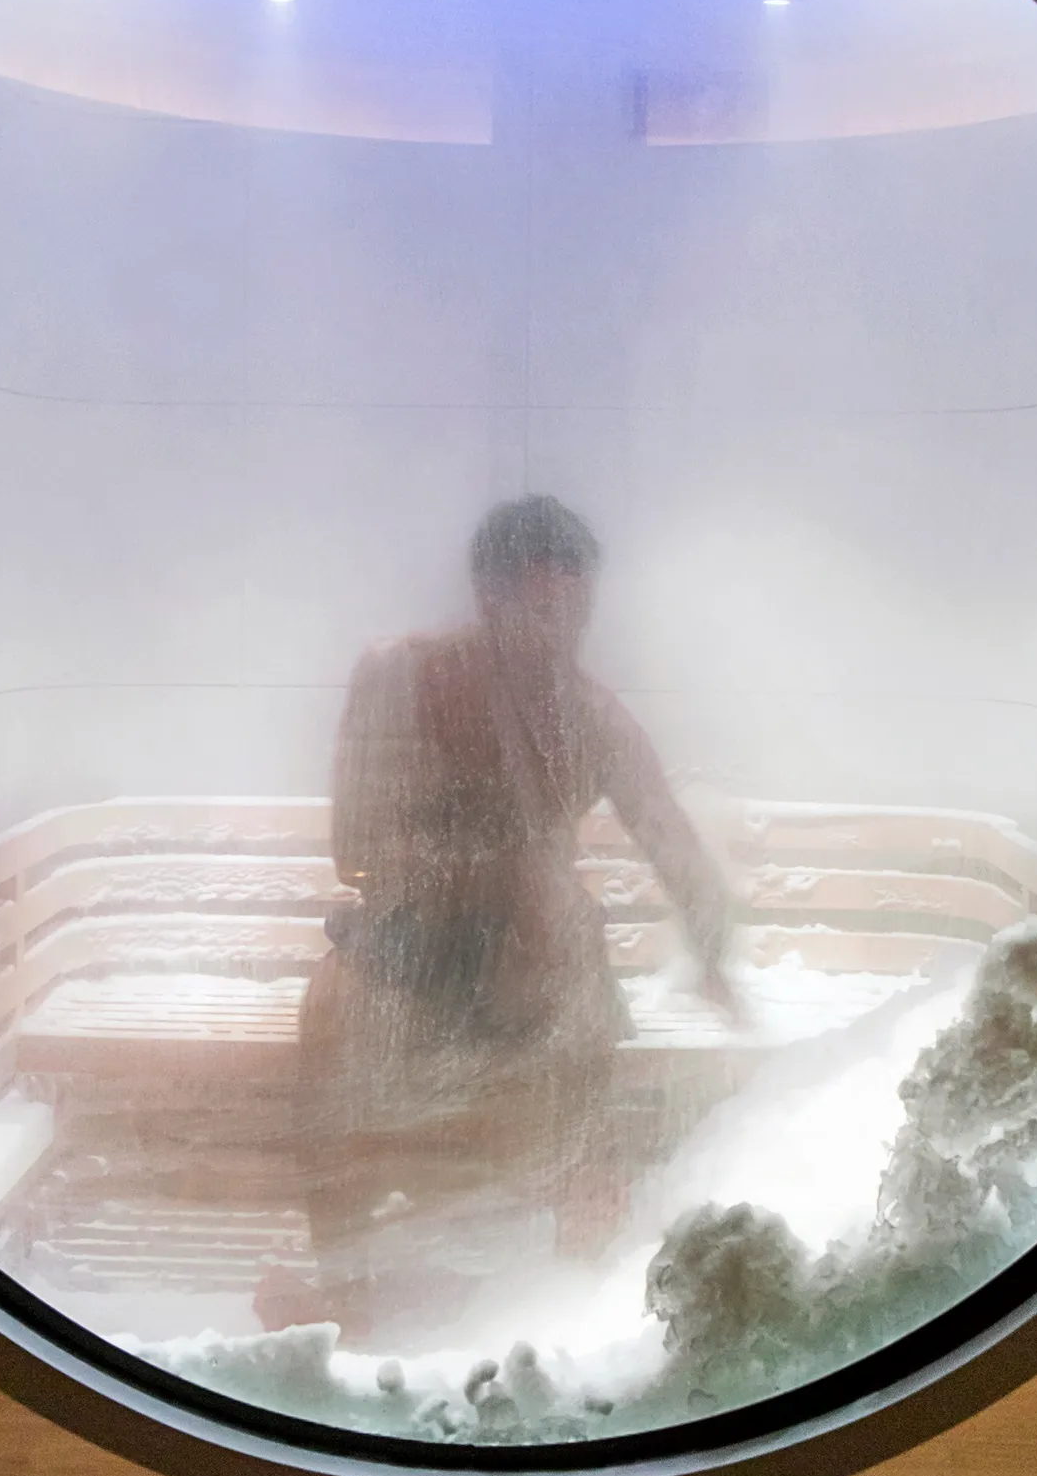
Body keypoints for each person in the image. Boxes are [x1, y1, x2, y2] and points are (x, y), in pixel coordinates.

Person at [266, 495, 735, 1344]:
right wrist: (487, 868)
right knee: (331, 1018)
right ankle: (350, 1303)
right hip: (415, 947)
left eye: (577, 613)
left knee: (574, 1030)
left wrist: (714, 957)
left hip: (536, 963)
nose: (561, 636)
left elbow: (672, 842)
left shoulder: (590, 718)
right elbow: (353, 848)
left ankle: (574, 1306)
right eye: (542, 610)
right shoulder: (401, 678)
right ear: (490, 596)